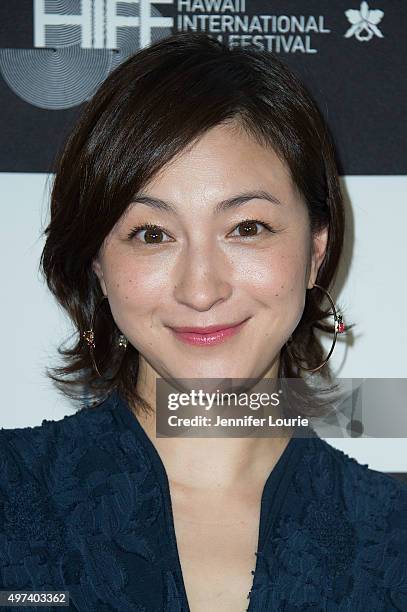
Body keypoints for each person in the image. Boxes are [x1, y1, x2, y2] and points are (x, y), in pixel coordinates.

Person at [1, 31, 406, 612]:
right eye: (152, 234)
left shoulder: (392, 539)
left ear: (316, 251)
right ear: (98, 265)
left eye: (247, 228)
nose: (200, 289)